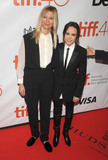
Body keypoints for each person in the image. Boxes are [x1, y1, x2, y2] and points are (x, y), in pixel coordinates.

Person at [17, 5, 58, 152]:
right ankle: (34, 134)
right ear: (41, 18)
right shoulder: (28, 38)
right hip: (31, 77)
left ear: (54, 21)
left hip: (48, 77)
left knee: (46, 109)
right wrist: (20, 83)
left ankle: (45, 137)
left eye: (51, 18)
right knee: (32, 109)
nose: (47, 21)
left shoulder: (55, 38)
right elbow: (21, 61)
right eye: (45, 17)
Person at [53, 22, 87, 147]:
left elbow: (82, 74)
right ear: (63, 34)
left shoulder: (81, 52)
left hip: (71, 89)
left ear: (77, 36)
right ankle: (56, 133)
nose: (69, 37)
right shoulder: (57, 47)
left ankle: (65, 132)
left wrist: (78, 93)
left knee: (69, 113)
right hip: (56, 88)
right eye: (67, 34)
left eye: (73, 35)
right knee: (56, 112)